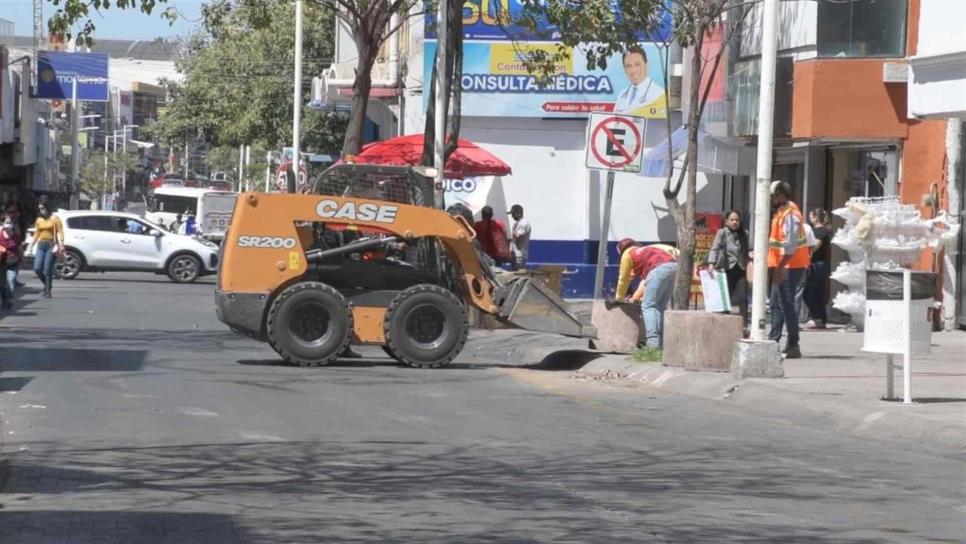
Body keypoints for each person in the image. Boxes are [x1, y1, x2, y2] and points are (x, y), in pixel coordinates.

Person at [767, 181, 811, 359]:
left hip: (789, 266)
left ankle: (792, 344)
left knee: (786, 305)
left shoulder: (790, 214)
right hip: (784, 265)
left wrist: (778, 269)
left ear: (782, 196)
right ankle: (774, 340)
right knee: (777, 304)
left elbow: (790, 245)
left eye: (774, 196)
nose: (772, 200)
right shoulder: (781, 212)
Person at [614, 238, 678, 350]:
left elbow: (623, 279)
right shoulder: (650, 249)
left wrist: (619, 298)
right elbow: (646, 283)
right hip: (674, 267)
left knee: (648, 306)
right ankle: (662, 345)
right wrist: (635, 297)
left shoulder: (627, 254)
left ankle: (652, 346)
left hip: (659, 269)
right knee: (659, 306)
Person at [706, 210, 750, 323]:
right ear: (726, 221)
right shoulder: (722, 232)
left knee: (742, 297)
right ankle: (724, 323)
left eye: (737, 220)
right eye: (732, 220)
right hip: (726, 268)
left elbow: (746, 251)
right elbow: (715, 248)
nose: (735, 222)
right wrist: (711, 263)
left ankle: (744, 324)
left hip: (740, 268)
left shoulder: (744, 233)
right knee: (724, 297)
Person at [614, 46, 666, 117]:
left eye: (637, 64)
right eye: (629, 66)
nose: (633, 71)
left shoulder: (660, 94)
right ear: (624, 69)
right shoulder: (622, 95)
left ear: (646, 65)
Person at [28, 200, 64, 299]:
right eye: (39, 209)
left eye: (43, 208)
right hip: (41, 244)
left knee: (47, 269)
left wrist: (61, 244)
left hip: (51, 245)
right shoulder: (39, 219)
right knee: (37, 268)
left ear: (48, 207)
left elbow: (60, 231)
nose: (41, 210)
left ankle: (47, 291)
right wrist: (31, 244)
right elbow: (36, 233)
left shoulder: (55, 219)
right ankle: (48, 284)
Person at [803, 208, 832, 329]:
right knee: (818, 292)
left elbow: (815, 247)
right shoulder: (823, 231)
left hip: (816, 265)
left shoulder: (819, 231)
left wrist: (804, 246)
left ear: (815, 218)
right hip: (821, 264)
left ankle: (816, 317)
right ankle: (821, 319)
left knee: (807, 291)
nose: (809, 219)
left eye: (811, 216)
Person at [0, 215, 22, 309]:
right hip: (2, 261)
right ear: (2, 223)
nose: (9, 225)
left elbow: (20, 249)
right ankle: (5, 300)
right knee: (2, 283)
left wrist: (23, 259)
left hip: (13, 262)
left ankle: (9, 300)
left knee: (10, 281)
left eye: (10, 223)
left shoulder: (16, 236)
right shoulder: (0, 235)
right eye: (7, 222)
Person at [508, 204, 531, 270]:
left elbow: (517, 236)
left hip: (519, 256)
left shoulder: (523, 223)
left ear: (518, 213)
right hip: (515, 255)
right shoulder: (516, 223)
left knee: (519, 274)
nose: (512, 216)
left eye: (513, 214)